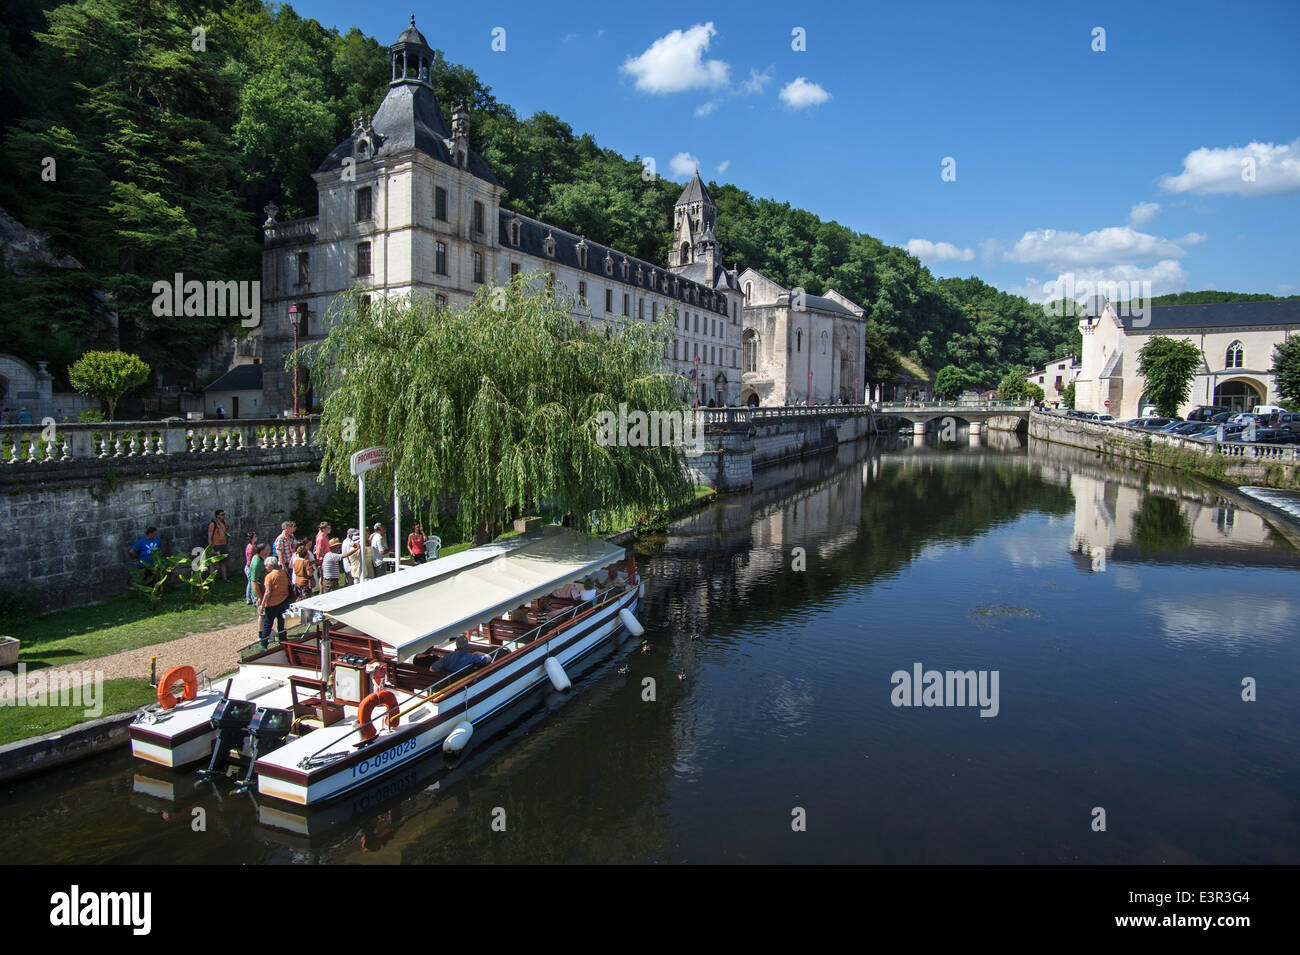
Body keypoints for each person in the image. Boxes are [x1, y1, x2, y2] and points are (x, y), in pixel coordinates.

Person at [258, 557, 292, 647]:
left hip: (272, 604)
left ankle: (263, 644)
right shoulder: (283, 573)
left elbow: (268, 591)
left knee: (268, 624)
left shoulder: (269, 576)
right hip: (284, 601)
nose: (265, 567)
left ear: (271, 565)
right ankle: (283, 640)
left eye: (266, 565)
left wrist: (262, 604)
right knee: (281, 622)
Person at [207, 509, 232, 581]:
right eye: (222, 514)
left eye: (224, 514)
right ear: (217, 516)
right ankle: (211, 580)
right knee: (213, 563)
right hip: (216, 545)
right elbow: (209, 536)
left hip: (223, 544)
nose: (223, 516)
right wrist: (210, 548)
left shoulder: (224, 522)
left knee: (223, 562)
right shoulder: (212, 524)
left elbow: (228, 527)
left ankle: (224, 578)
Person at [248, 542, 270, 607]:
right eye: (267, 550)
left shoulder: (261, 558)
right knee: (263, 614)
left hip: (264, 592)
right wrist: (261, 597)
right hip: (260, 594)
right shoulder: (256, 564)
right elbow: (254, 582)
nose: (269, 551)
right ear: (262, 551)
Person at [243, 532, 260, 604]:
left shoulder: (252, 545)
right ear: (252, 538)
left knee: (251, 582)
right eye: (255, 536)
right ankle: (249, 599)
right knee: (251, 583)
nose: (256, 537)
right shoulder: (251, 547)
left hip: (250, 567)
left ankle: (250, 598)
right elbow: (250, 559)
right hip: (250, 567)